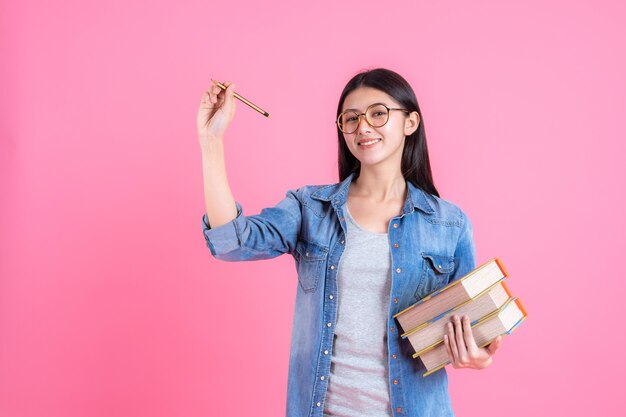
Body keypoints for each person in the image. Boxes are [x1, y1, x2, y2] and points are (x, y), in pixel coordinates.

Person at [197, 68, 503, 417]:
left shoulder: (449, 224)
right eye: (351, 118)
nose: (363, 127)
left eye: (378, 113)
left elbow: (474, 325)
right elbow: (230, 242)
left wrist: (478, 356)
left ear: (410, 122)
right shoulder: (311, 208)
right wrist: (211, 142)